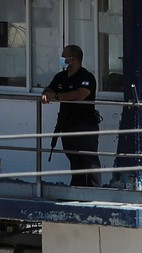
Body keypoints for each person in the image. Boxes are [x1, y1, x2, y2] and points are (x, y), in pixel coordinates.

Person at [42, 44, 100, 186]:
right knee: (74, 159)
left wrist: (57, 96)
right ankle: (76, 189)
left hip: (85, 125)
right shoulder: (60, 77)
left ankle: (95, 191)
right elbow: (49, 89)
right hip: (67, 124)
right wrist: (46, 94)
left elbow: (81, 94)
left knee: (89, 160)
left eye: (64, 56)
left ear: (72, 59)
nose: (61, 59)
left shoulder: (86, 76)